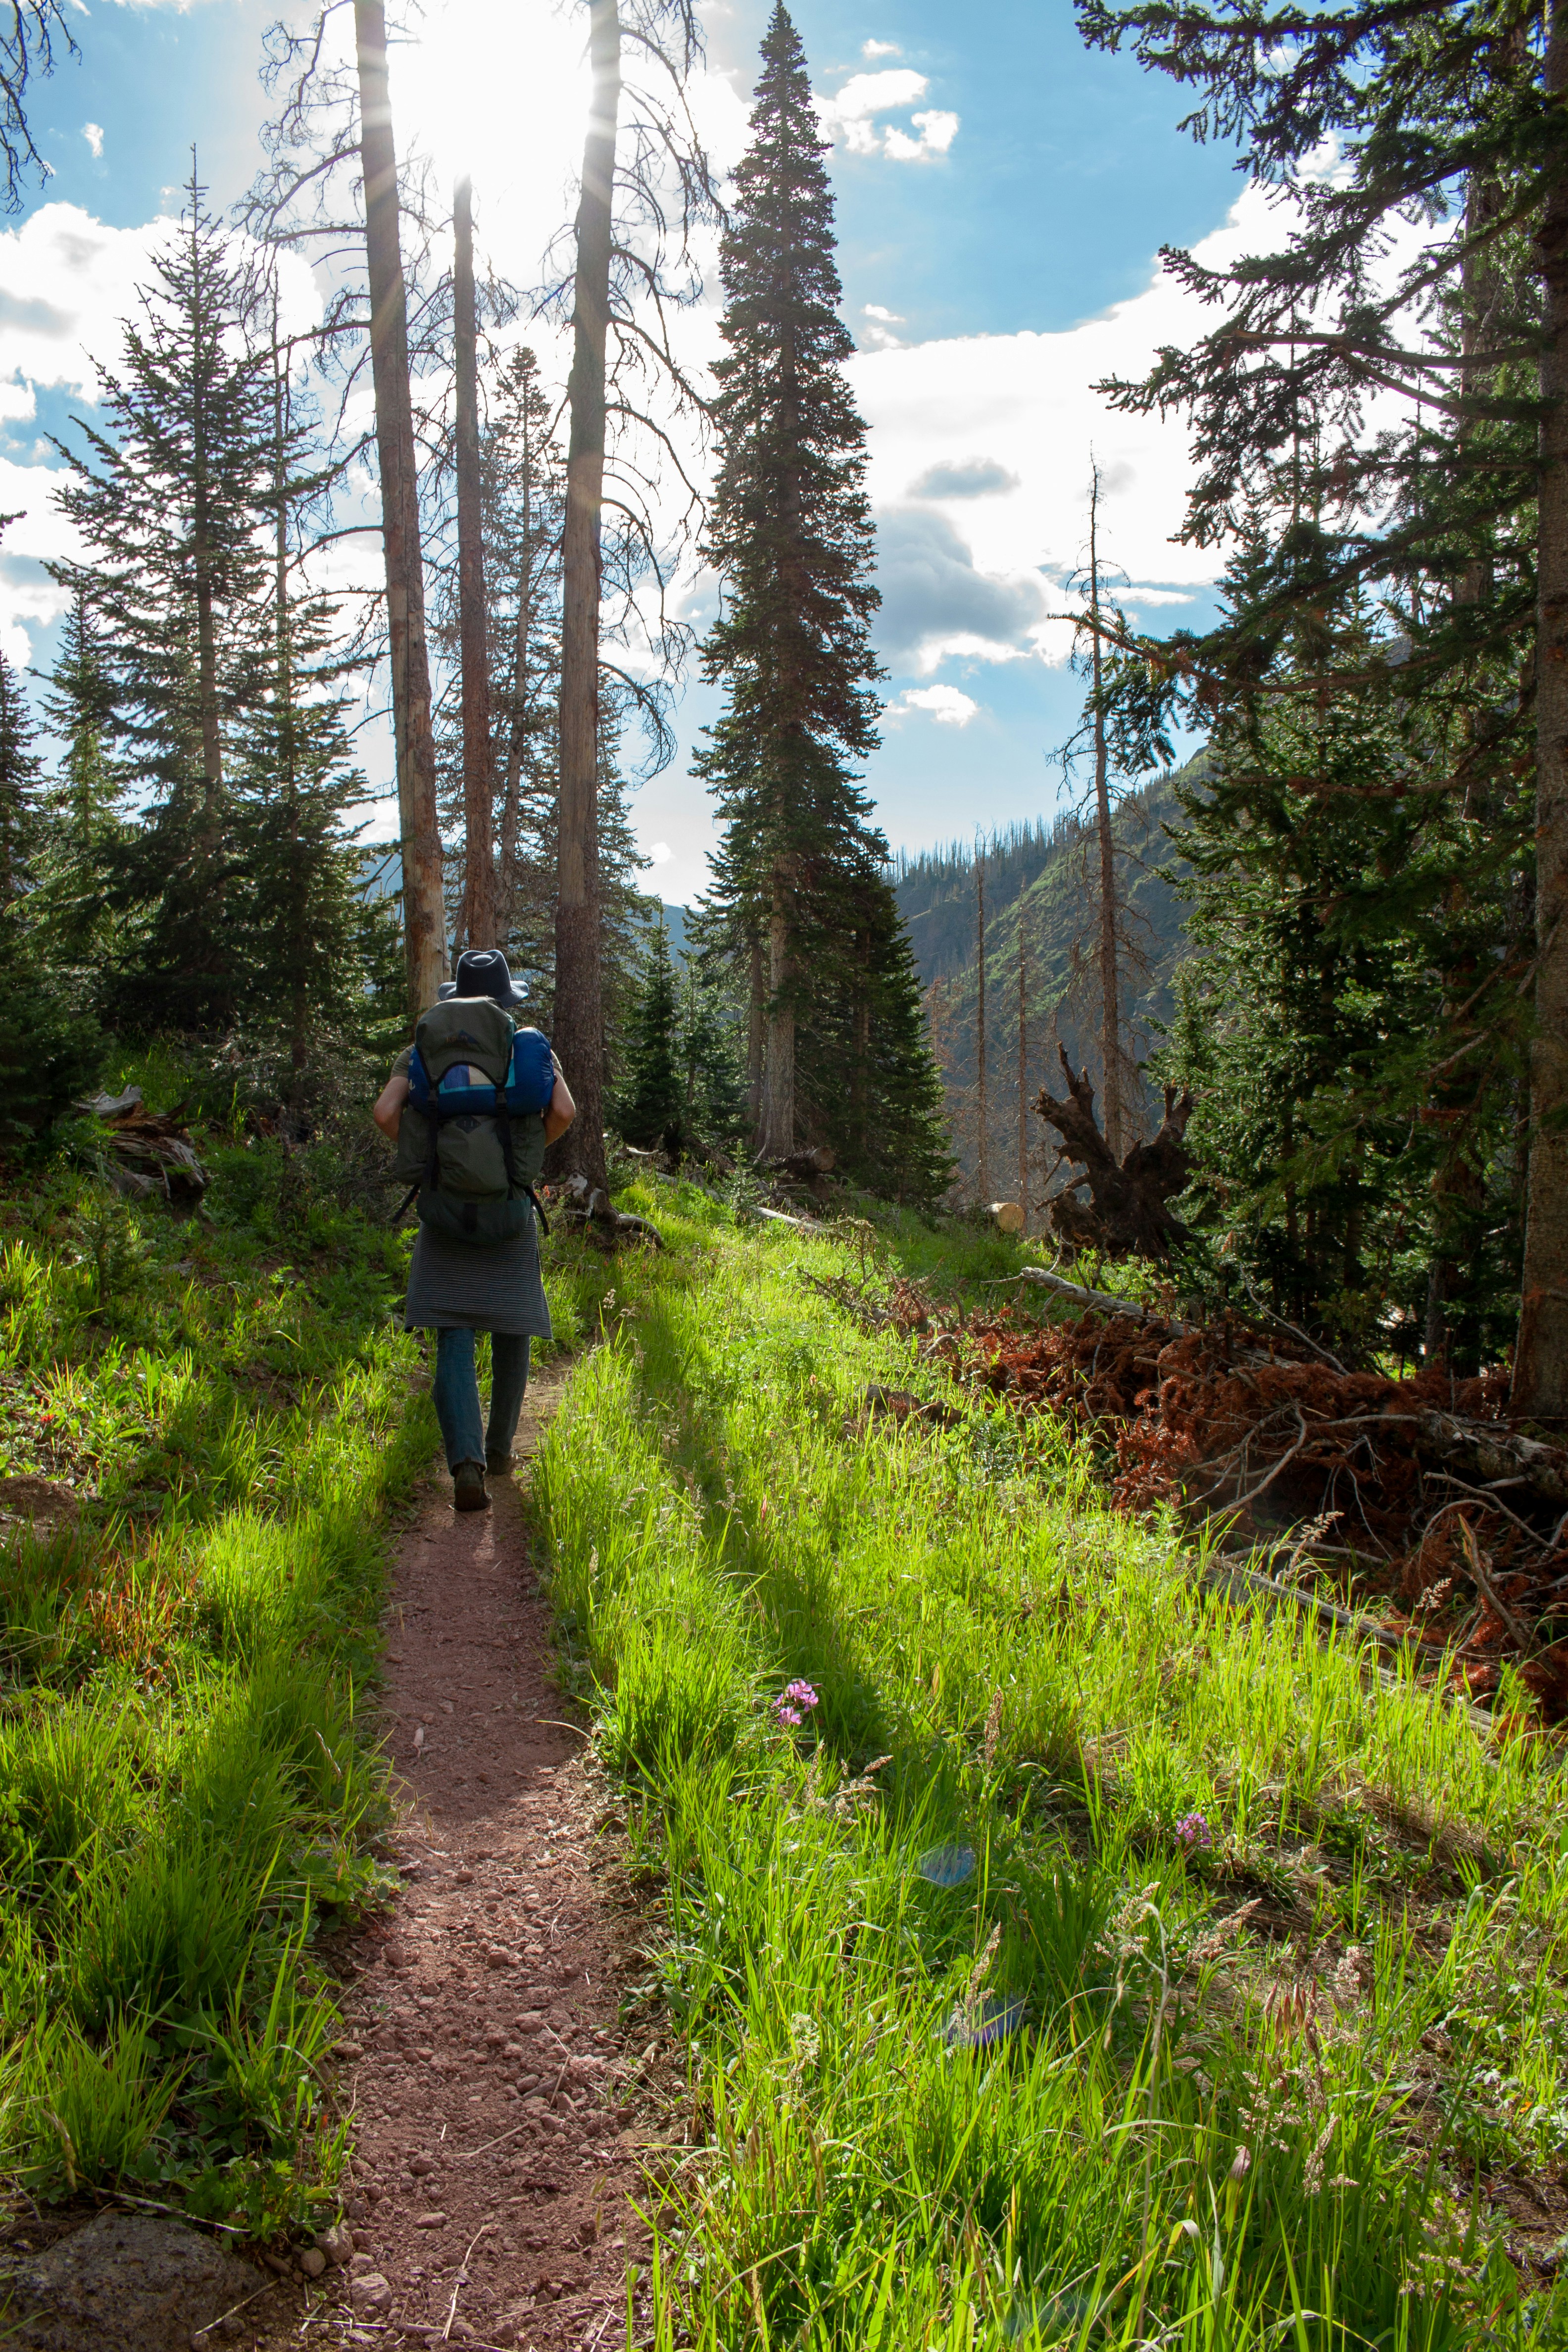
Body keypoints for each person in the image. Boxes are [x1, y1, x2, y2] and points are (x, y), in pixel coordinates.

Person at [373, 948, 576, 1513]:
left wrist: (436, 1158)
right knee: (513, 1325)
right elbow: (563, 1111)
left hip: (444, 1211)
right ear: (506, 1000)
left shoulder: (421, 1048)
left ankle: (466, 1463)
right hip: (509, 1209)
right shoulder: (527, 1046)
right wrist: (517, 1164)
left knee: (454, 1331)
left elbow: (387, 1115)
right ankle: (502, 1450)